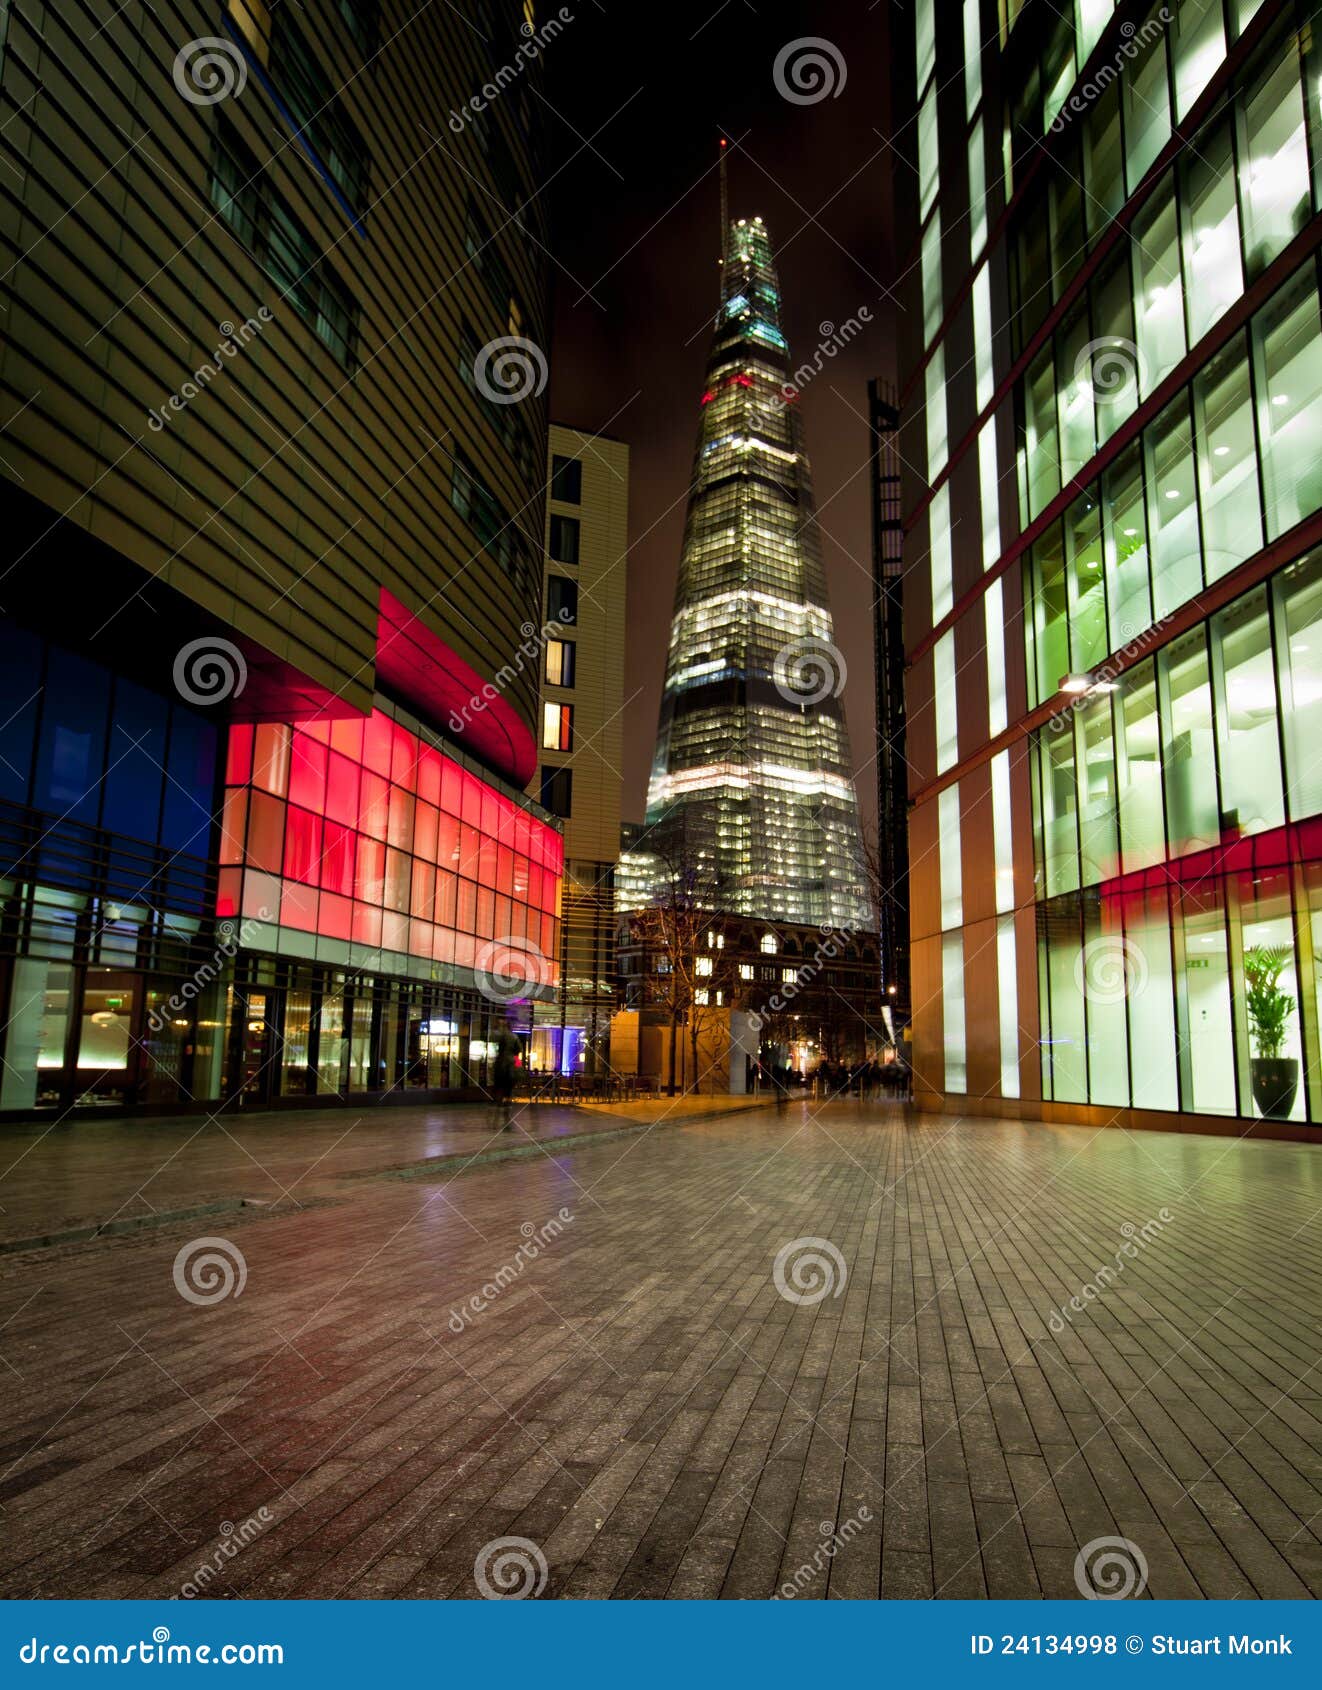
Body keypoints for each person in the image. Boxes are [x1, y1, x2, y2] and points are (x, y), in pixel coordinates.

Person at [491, 1025, 520, 1130]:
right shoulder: (514, 1038)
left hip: (500, 1068)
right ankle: (507, 1120)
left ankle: (496, 1121)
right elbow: (517, 1054)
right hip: (510, 1068)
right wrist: (518, 1067)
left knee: (499, 1095)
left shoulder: (502, 1037)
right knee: (508, 1096)